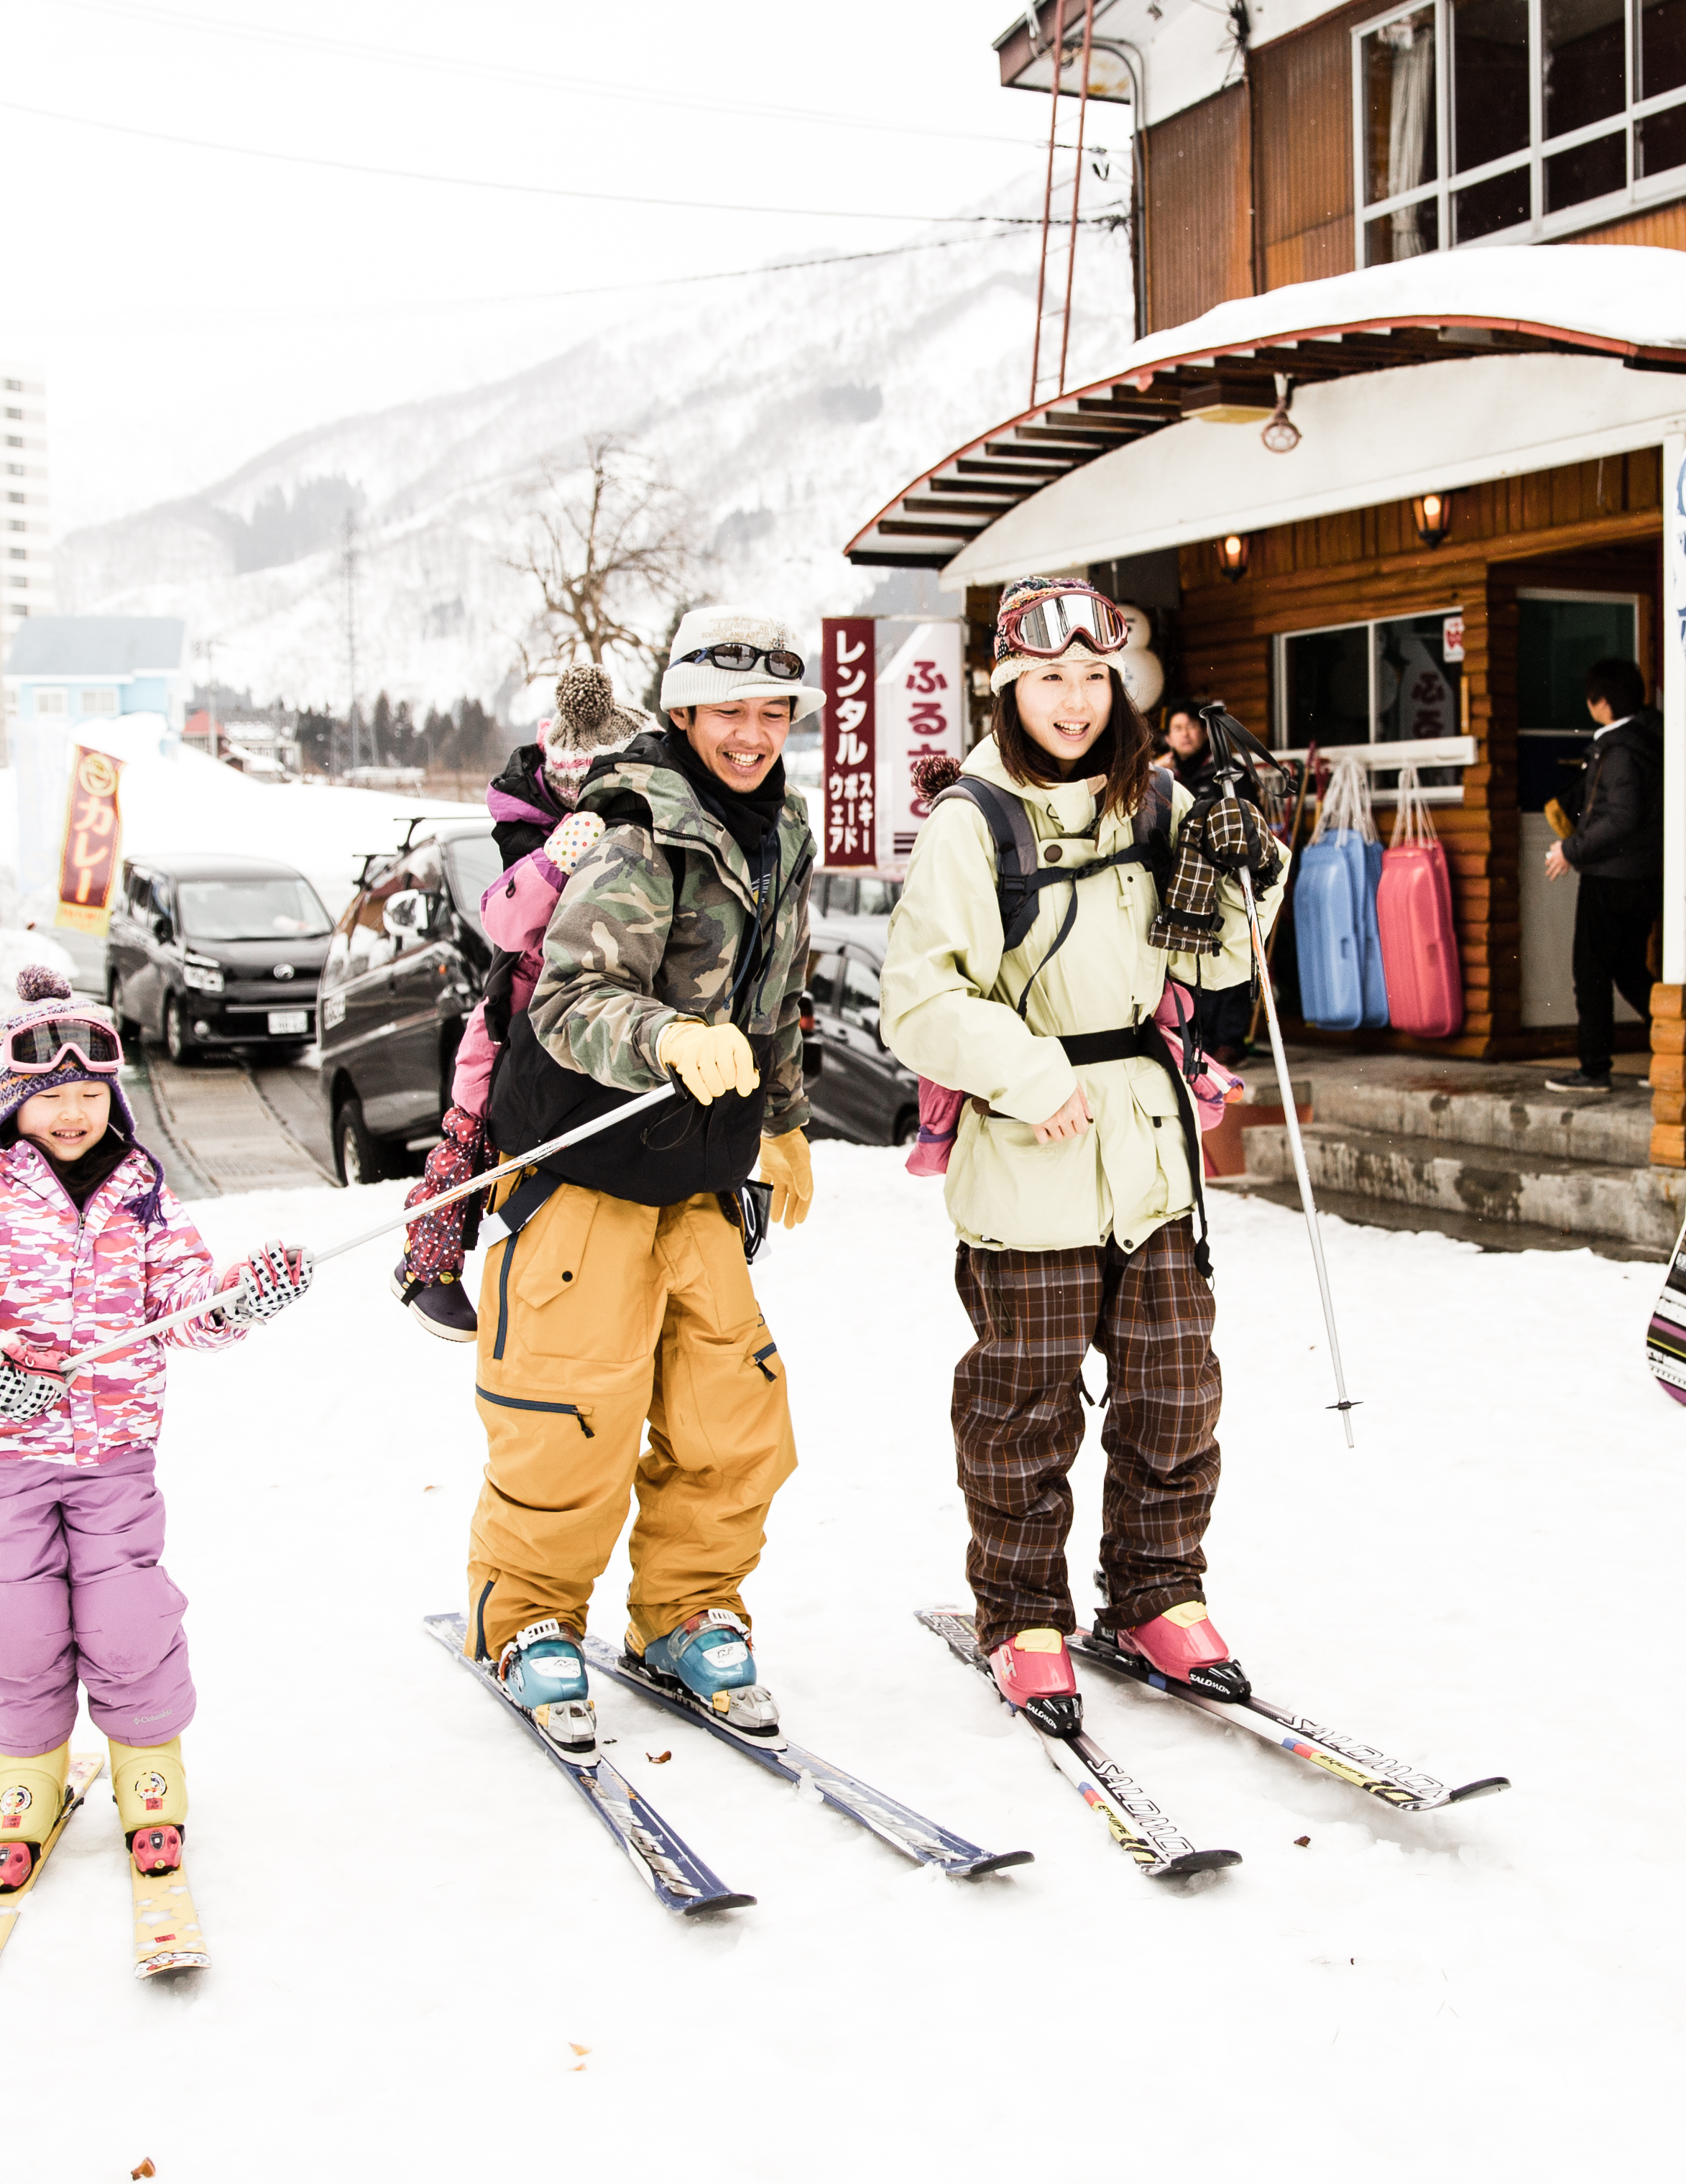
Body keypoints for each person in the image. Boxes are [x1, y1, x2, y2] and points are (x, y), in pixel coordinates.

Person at [881, 579, 1284, 1717]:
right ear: (1011, 687)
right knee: (1025, 1402)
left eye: (1093, 678)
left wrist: (1247, 874)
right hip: (1031, 1147)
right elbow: (917, 1000)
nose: (1074, 700)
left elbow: (1209, 973)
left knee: (1174, 1390)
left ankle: (1157, 1591)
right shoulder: (975, 819)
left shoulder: (1153, 802)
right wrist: (1028, 1070)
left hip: (1149, 1150)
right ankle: (1023, 1612)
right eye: (1050, 678)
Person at [0, 965, 313, 1898]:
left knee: (128, 1616)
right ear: (7, 1101)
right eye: (51, 1096)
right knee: (17, 1622)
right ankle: (24, 1775)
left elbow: (183, 1304)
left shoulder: (139, 1191)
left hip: (115, 1453)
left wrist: (236, 1298)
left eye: (88, 1093)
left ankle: (149, 1766)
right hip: (3, 1461)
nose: (73, 1112)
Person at [463, 604, 820, 1745]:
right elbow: (568, 998)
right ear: (681, 712)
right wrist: (663, 1036)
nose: (752, 734)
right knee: (572, 1409)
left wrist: (786, 1121)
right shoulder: (633, 823)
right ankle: (526, 1616)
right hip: (583, 1161)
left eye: (772, 713)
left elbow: (776, 1002)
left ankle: (686, 1609)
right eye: (729, 712)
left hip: (701, 1170)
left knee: (734, 1411)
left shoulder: (783, 829)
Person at [390, 663, 652, 1340]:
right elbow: (505, 924)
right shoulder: (527, 827)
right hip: (513, 1007)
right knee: (469, 1131)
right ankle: (428, 1265)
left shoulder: (648, 821)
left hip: (599, 1009)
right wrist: (553, 862)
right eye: (575, 789)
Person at [1544, 654, 1659, 1093]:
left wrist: (1571, 850)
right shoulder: (1648, 740)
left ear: (1602, 703)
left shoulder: (1619, 750)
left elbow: (1620, 818)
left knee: (1591, 970)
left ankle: (1594, 1069)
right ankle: (1674, 1044)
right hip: (1643, 876)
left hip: (1610, 877)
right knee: (1628, 967)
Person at [1153, 704, 1256, 1067]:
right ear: (1168, 737)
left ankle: (1230, 1038)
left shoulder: (1225, 772)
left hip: (1221, 877)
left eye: (1191, 727)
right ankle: (1200, 1039)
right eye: (1177, 728)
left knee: (1225, 954)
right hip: (1181, 878)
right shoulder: (1165, 775)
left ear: (1203, 732)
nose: (1185, 734)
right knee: (1188, 959)